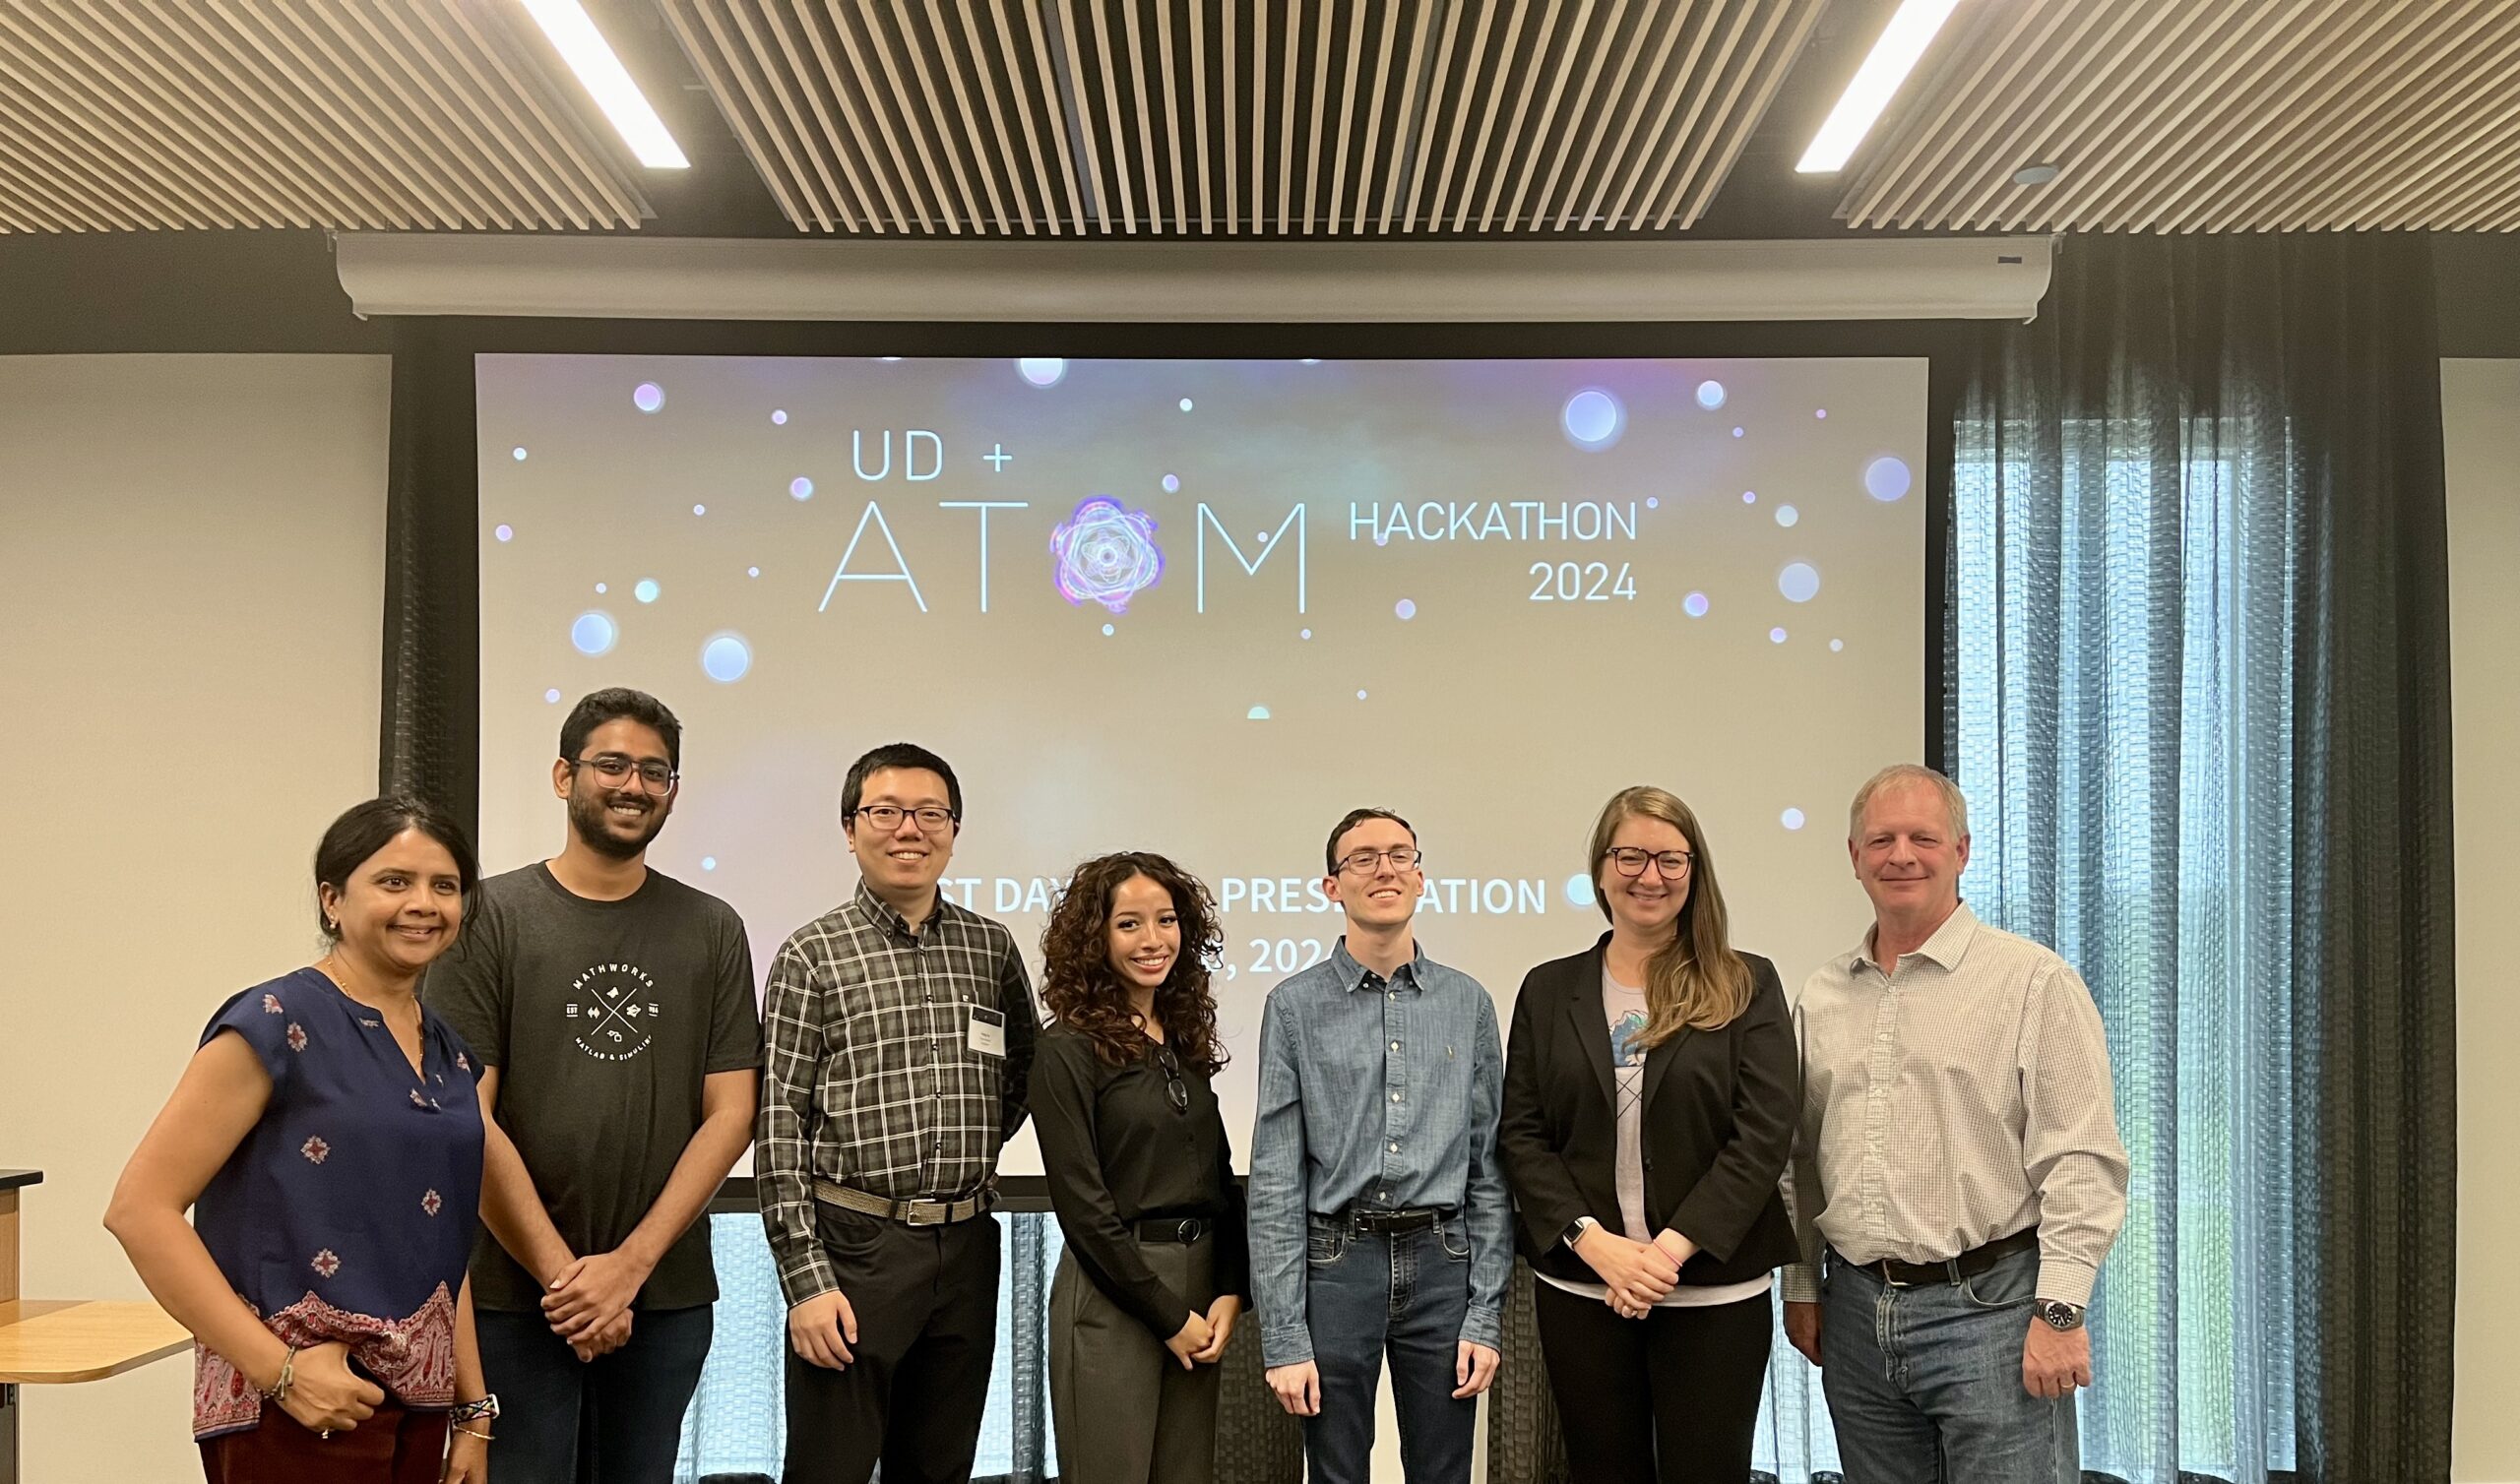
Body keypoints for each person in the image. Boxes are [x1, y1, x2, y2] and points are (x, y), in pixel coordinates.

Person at [105, 797, 496, 1484]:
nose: (424, 904)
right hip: (297, 1409)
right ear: (332, 900)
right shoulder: (273, 1022)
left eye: (445, 886)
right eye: (394, 881)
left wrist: (473, 1412)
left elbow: (439, 1238)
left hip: (421, 1414)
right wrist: (281, 1372)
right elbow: (140, 1210)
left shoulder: (452, 1056)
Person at [428, 687, 764, 1484]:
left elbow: (731, 1111)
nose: (634, 785)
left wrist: (628, 1270)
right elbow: (466, 1115)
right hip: (515, 1294)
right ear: (562, 775)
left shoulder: (712, 927)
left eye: (657, 772)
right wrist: (565, 1279)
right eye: (612, 764)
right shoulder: (488, 917)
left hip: (666, 1291)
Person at [1782, 764, 2129, 1484]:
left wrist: (2061, 1313)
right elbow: (1801, 1158)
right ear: (1854, 857)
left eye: (1923, 837)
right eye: (1880, 839)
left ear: (1962, 851)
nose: (1900, 855)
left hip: (1992, 1314)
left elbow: (2082, 1161)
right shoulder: (1822, 993)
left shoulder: (2033, 982)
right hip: (1854, 1313)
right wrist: (1802, 1287)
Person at [1498, 786, 1798, 1483]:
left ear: (1694, 871)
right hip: (1585, 1289)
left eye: (1670, 858)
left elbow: (1763, 1134)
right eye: (1630, 855)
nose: (1649, 875)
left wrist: (1663, 1254)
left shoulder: (1746, 982)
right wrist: (1595, 1243)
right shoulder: (1548, 990)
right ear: (1602, 870)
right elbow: (1522, 1135)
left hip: (1713, 1294)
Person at [759, 742, 1040, 1484]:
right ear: (851, 829)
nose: (908, 829)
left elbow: (1020, 1079)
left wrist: (963, 1157)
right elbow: (779, 1124)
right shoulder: (810, 956)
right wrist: (807, 1282)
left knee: (940, 1467)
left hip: (968, 1247)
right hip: (856, 1248)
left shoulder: (991, 947)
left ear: (954, 829)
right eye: (885, 812)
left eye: (930, 813)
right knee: (831, 1469)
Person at [1248, 807, 1510, 1484]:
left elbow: (1488, 1169)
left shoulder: (1468, 1003)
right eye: (1362, 858)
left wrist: (1485, 1312)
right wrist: (1282, 1334)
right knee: (1335, 1474)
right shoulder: (1294, 1007)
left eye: (1399, 855)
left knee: (1444, 1472)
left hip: (1444, 1261)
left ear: (1421, 877)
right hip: (1336, 1262)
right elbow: (1276, 1176)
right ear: (1332, 887)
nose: (1384, 868)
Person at [1031, 852, 1249, 1484]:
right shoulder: (1065, 1048)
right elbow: (1082, 1206)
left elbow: (1218, 1170)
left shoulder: (1180, 1037)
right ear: (1093, 938)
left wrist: (1232, 1289)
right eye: (1129, 924)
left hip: (1202, 1291)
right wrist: (1166, 1315)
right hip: (1115, 1290)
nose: (1153, 940)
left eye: (1166, 920)